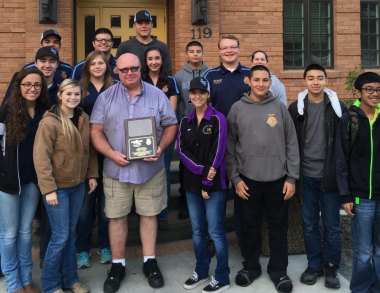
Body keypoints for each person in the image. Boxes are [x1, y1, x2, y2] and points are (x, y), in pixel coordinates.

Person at [90, 53, 177, 292]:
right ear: (116, 71)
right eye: (124, 69)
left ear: (141, 69)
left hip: (149, 170)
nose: (130, 73)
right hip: (116, 170)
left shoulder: (157, 94)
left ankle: (150, 261)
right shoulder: (106, 98)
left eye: (134, 68)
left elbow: (171, 124)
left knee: (149, 215)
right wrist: (111, 154)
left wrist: (160, 148)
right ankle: (118, 265)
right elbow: (96, 131)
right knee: (116, 217)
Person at [225, 65, 299, 293]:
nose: (260, 84)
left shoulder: (279, 107)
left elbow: (291, 142)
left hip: (278, 180)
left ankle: (279, 271)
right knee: (250, 227)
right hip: (248, 181)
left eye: (265, 80)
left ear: (270, 82)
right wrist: (235, 178)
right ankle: (251, 267)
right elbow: (229, 147)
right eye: (256, 79)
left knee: (278, 228)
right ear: (248, 81)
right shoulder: (237, 109)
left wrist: (292, 177)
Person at [33, 79, 98, 293]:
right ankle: (51, 285)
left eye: (76, 95)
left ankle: (70, 279)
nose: (72, 98)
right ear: (60, 95)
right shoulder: (49, 122)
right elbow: (41, 158)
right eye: (68, 94)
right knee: (60, 236)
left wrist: (92, 175)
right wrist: (48, 189)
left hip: (78, 186)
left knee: (70, 234)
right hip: (57, 188)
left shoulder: (83, 118)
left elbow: (88, 150)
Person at [288, 64, 346, 289]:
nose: (315, 82)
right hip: (305, 177)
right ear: (304, 81)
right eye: (310, 78)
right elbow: (290, 142)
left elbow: (344, 144)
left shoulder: (337, 107)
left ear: (325, 80)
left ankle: (331, 266)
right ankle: (314, 265)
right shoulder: (296, 108)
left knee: (332, 225)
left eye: (319, 78)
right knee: (309, 223)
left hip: (329, 176)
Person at [177, 77, 230, 293]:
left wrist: (207, 180)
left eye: (202, 92)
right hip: (191, 185)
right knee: (198, 231)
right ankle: (201, 270)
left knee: (216, 232)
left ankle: (222, 276)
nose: (197, 96)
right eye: (193, 93)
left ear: (208, 94)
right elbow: (181, 150)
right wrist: (200, 170)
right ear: (189, 96)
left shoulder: (217, 119)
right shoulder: (185, 121)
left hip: (214, 185)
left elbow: (217, 152)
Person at [0, 68, 49, 293]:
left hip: (32, 181)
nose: (32, 88)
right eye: (27, 84)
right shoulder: (7, 110)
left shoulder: (44, 111)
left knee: (25, 231)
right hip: (8, 182)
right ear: (19, 86)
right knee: (9, 233)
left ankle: (26, 277)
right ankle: (13, 281)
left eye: (37, 85)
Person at [336, 72, 380, 293]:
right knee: (363, 252)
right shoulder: (350, 119)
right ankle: (361, 289)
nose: (375, 94)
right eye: (369, 89)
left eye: (378, 89)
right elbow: (341, 160)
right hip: (361, 197)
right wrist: (345, 196)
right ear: (359, 92)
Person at [204, 34, 250, 241]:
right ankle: (215, 240)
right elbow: (204, 108)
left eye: (233, 47)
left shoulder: (250, 74)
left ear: (239, 49)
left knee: (244, 194)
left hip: (247, 144)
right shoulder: (209, 75)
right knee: (218, 195)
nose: (229, 50)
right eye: (225, 48)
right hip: (219, 144)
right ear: (219, 51)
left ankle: (244, 238)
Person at [76, 51, 115, 269]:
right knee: (85, 208)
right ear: (88, 67)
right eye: (94, 63)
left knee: (106, 207)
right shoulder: (80, 89)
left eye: (101, 63)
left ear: (107, 66)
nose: (98, 66)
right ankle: (82, 249)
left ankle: (104, 245)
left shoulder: (114, 87)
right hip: (85, 153)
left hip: (110, 151)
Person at [141, 47, 180, 230]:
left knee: (163, 172)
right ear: (146, 61)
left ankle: (162, 212)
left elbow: (170, 111)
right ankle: (144, 210)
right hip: (142, 132)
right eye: (150, 59)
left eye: (157, 58)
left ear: (162, 60)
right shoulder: (140, 79)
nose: (154, 62)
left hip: (165, 132)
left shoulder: (170, 81)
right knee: (143, 170)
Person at [175, 40, 210, 220]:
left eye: (198, 51)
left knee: (206, 162)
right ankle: (184, 204)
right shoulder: (179, 77)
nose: (195, 54)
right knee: (186, 167)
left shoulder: (211, 73)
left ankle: (208, 200)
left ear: (202, 53)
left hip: (207, 128)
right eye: (192, 51)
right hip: (188, 127)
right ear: (186, 54)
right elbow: (179, 102)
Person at [116, 10, 172, 75]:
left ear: (152, 25)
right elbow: (118, 71)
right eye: (140, 23)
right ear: (134, 26)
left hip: (157, 84)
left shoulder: (162, 47)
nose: (144, 26)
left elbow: (168, 72)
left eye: (147, 23)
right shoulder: (124, 47)